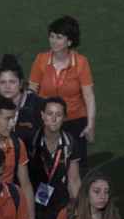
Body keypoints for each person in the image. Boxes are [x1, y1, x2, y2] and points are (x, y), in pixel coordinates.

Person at [26, 97, 82, 219]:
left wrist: (79, 208)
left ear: (65, 117)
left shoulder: (71, 143)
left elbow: (74, 179)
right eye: (49, 114)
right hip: (34, 200)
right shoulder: (30, 142)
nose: (53, 118)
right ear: (42, 115)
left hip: (59, 200)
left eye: (58, 114)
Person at [27, 16, 96, 146]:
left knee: (75, 163)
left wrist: (90, 125)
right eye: (52, 36)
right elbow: (32, 91)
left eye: (59, 37)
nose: (53, 41)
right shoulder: (41, 60)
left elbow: (88, 94)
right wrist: (29, 117)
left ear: (69, 42)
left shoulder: (81, 62)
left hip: (74, 120)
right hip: (46, 121)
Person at [0, 54, 44, 144]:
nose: (7, 87)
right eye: (2, 82)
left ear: (21, 83)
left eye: (12, 82)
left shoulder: (38, 106)